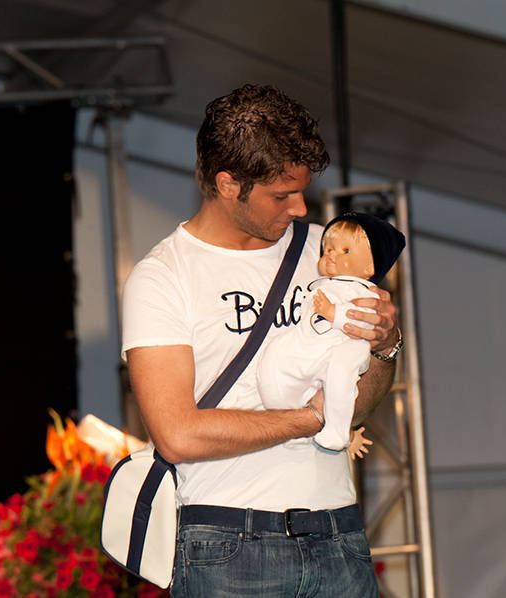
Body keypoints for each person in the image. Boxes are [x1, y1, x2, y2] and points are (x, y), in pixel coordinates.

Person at [120, 83, 403, 597]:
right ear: (228, 184)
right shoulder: (163, 275)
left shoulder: (328, 252)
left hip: (338, 532)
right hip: (227, 543)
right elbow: (177, 434)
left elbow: (357, 405)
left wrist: (385, 347)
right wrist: (311, 419)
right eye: (281, 194)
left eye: (302, 191)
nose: (300, 208)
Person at [257, 212, 405, 451]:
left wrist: (334, 312)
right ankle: (284, 412)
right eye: (328, 250)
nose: (332, 255)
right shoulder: (323, 284)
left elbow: (363, 319)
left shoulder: (363, 291)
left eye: (345, 251)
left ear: (370, 266)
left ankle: (337, 432)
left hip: (344, 347)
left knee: (341, 376)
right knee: (275, 359)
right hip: (311, 344)